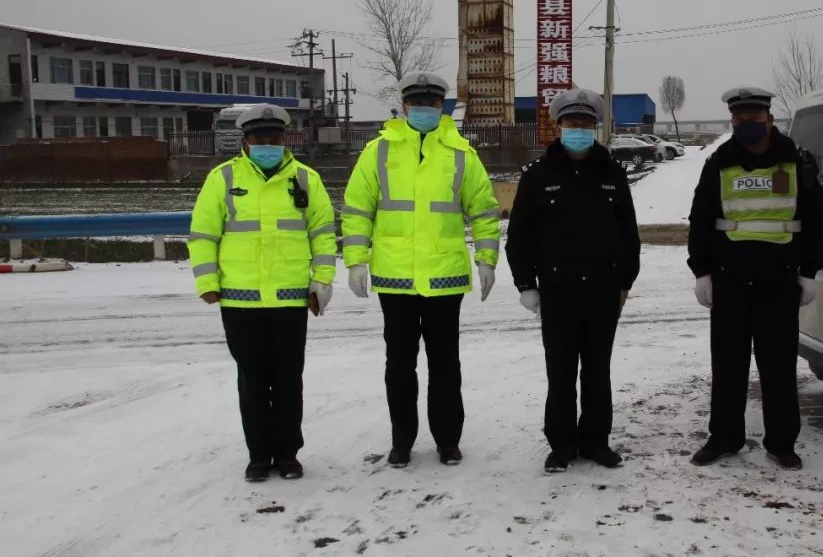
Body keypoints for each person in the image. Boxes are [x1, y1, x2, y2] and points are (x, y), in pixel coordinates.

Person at [341, 72, 501, 468]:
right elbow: (358, 209)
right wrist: (356, 260)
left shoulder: (461, 153)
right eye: (418, 104)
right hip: (395, 278)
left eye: (433, 104)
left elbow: (483, 210)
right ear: (405, 106)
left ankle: (448, 440)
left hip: (445, 277)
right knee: (399, 365)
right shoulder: (379, 152)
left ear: (440, 107)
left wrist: (487, 258)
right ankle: (402, 442)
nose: (426, 111)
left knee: (446, 364)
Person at [188, 103, 337, 482]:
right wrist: (207, 282)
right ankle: (258, 455)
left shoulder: (306, 180)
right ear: (246, 141)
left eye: (274, 138)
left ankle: (288, 454)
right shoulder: (223, 179)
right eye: (260, 138)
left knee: (289, 380)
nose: (267, 144)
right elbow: (203, 235)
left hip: (291, 299)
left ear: (285, 139)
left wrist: (322, 280)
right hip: (240, 301)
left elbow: (322, 233)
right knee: (252, 381)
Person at [687, 86, 823, 471]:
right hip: (729, 279)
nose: (745, 125)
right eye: (738, 119)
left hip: (779, 280)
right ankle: (724, 438)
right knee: (728, 365)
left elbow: (818, 219)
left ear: (769, 119)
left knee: (779, 367)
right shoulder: (719, 161)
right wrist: (701, 271)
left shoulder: (797, 162)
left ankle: (782, 443)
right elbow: (700, 216)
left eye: (752, 118)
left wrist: (810, 273)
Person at [506, 88, 641, 474]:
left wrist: (624, 283)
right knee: (561, 372)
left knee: (598, 371)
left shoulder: (613, 173)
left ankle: (597, 442)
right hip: (557, 290)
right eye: (571, 124)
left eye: (585, 124)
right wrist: (525, 284)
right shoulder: (538, 175)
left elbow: (629, 234)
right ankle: (561, 446)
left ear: (595, 127)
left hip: (602, 291)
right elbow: (519, 235)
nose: (578, 130)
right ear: (558, 126)